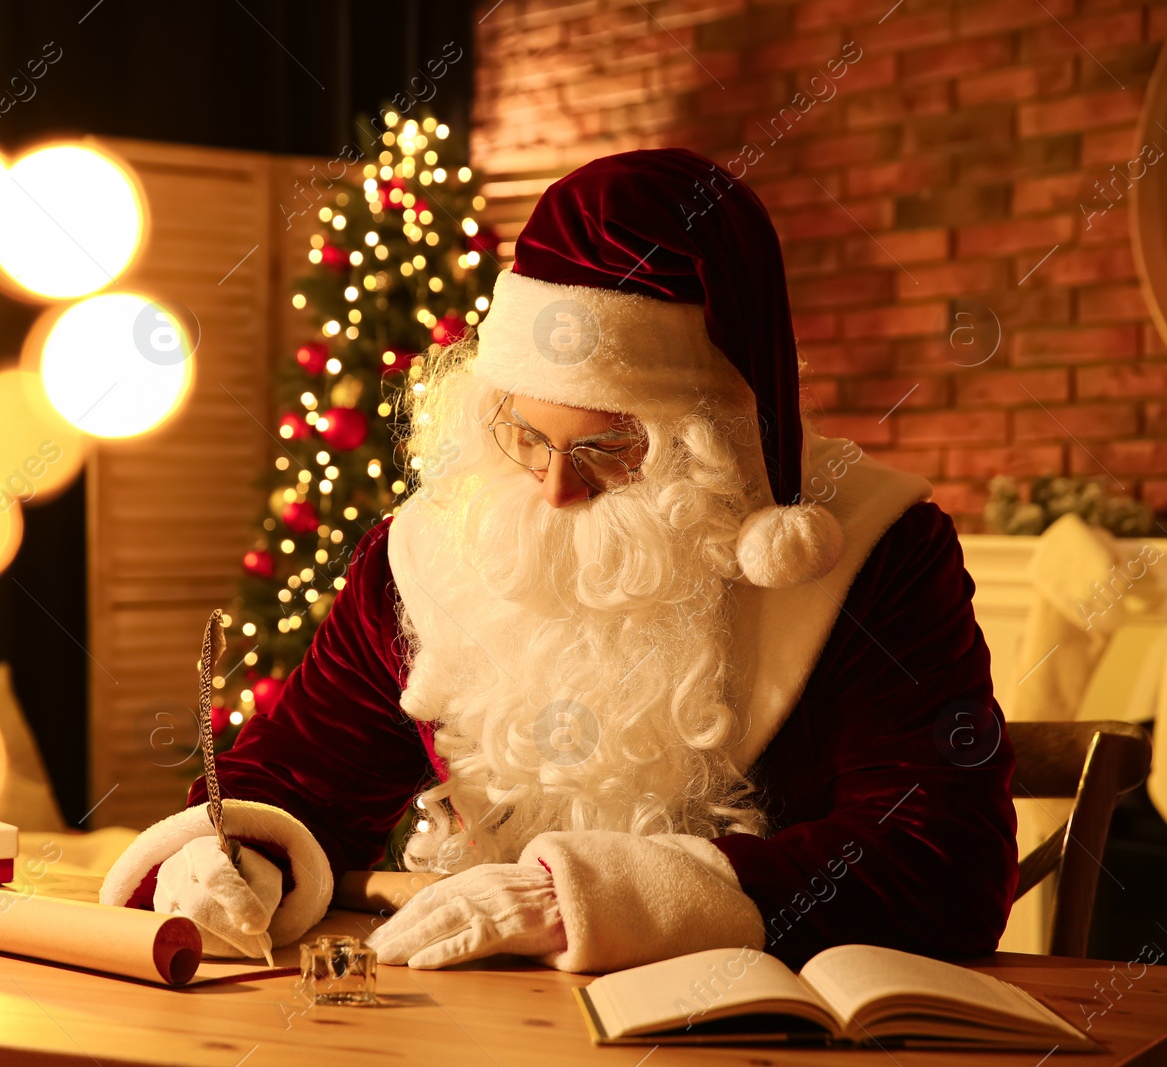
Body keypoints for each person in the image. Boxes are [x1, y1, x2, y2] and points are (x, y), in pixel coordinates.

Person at [101, 147, 1018, 974]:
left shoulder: (876, 550)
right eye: (524, 436)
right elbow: (302, 770)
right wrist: (234, 856)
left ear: (720, 439)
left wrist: (573, 896)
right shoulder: (432, 545)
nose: (551, 491)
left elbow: (943, 859)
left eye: (609, 453)